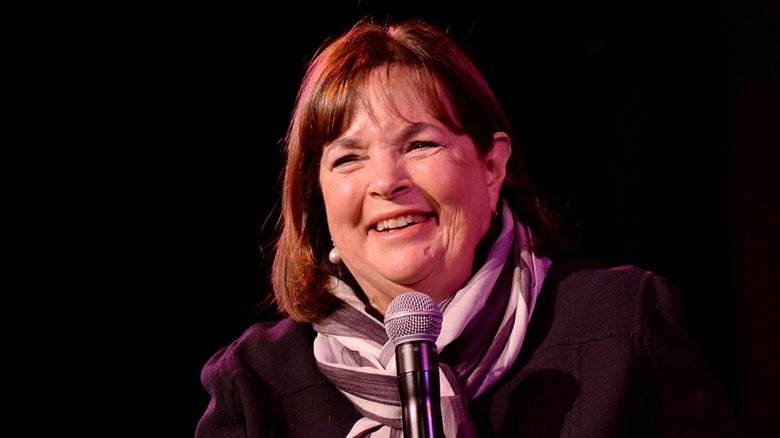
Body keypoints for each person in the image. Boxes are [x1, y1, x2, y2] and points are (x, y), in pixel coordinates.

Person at [195, 17, 739, 437]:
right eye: (348, 158)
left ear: (492, 165)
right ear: (316, 197)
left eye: (421, 144)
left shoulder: (622, 324)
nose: (387, 182)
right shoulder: (255, 382)